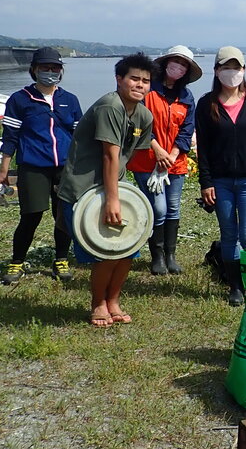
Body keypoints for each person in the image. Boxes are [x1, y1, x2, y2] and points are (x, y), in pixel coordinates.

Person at [57, 53, 155, 327]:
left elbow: (129, 155)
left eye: (146, 81)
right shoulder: (110, 107)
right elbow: (110, 156)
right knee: (105, 253)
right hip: (84, 189)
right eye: (134, 78)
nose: (140, 85)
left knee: (128, 249)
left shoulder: (143, 115)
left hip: (116, 188)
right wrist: (113, 200)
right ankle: (98, 303)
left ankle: (114, 300)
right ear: (119, 79)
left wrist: (126, 195)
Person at [0, 47, 84, 284]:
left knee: (63, 216)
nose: (50, 72)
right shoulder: (20, 99)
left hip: (65, 167)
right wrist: (3, 169)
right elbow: (10, 136)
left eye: (55, 68)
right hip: (33, 166)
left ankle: (61, 260)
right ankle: (16, 263)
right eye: (45, 68)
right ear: (34, 70)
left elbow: (79, 135)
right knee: (31, 215)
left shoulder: (70, 100)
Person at [195, 46, 246, 306]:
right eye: (226, 67)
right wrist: (205, 182)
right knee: (229, 234)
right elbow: (203, 148)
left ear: (244, 70)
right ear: (216, 71)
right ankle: (235, 287)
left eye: (236, 67)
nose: (232, 73)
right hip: (221, 182)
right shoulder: (207, 104)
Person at [127, 45, 201, 276]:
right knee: (158, 209)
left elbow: (187, 130)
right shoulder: (148, 90)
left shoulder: (187, 96)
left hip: (175, 162)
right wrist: (158, 149)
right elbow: (136, 123)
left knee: (173, 208)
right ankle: (156, 256)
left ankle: (170, 255)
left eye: (183, 65)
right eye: (175, 62)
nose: (178, 67)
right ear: (165, 63)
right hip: (146, 160)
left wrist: (173, 155)